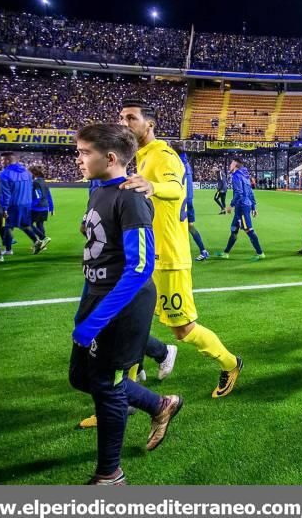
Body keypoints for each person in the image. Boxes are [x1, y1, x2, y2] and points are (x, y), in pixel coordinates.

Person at [70, 123, 182, 485]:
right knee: (81, 377)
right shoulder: (97, 187)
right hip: (98, 295)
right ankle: (159, 404)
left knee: (106, 383)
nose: (78, 158)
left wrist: (95, 321)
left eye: (85, 152)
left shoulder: (130, 196)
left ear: (111, 158)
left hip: (125, 301)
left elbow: (139, 268)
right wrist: (85, 308)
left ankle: (110, 476)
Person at [118, 99, 242, 399]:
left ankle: (230, 363)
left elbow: (176, 189)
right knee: (129, 322)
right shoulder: (141, 156)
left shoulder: (162, 155)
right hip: (146, 255)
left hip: (170, 258)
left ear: (149, 124)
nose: (124, 123)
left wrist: (153, 187)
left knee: (183, 329)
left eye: (131, 118)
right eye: (121, 118)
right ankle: (126, 396)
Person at [0, 152, 47, 256]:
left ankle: (8, 250)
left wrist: (4, 208)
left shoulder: (4, 174)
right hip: (26, 204)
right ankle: (36, 241)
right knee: (25, 225)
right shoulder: (27, 172)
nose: (1, 162)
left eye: (2, 160)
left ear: (7, 160)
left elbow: (6, 194)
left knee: (8, 227)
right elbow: (30, 189)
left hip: (13, 204)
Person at [220, 157, 265, 260]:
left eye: (231, 163)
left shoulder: (236, 176)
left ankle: (260, 253)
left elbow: (239, 193)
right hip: (245, 205)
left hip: (242, 207)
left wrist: (230, 206)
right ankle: (226, 252)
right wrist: (253, 207)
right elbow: (251, 192)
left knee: (248, 229)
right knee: (234, 229)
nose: (229, 165)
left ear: (235, 165)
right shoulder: (245, 176)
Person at [172, 144, 210, 261]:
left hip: (182, 203)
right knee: (190, 226)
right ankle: (203, 251)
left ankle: (176, 254)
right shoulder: (186, 164)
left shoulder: (178, 165)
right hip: (189, 202)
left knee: (174, 227)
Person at [29, 165, 54, 244]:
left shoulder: (35, 183)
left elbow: (38, 196)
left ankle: (41, 240)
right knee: (40, 224)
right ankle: (43, 243)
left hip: (37, 208)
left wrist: (30, 206)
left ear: (33, 173)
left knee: (27, 224)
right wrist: (51, 208)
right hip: (44, 207)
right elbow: (48, 195)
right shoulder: (44, 182)